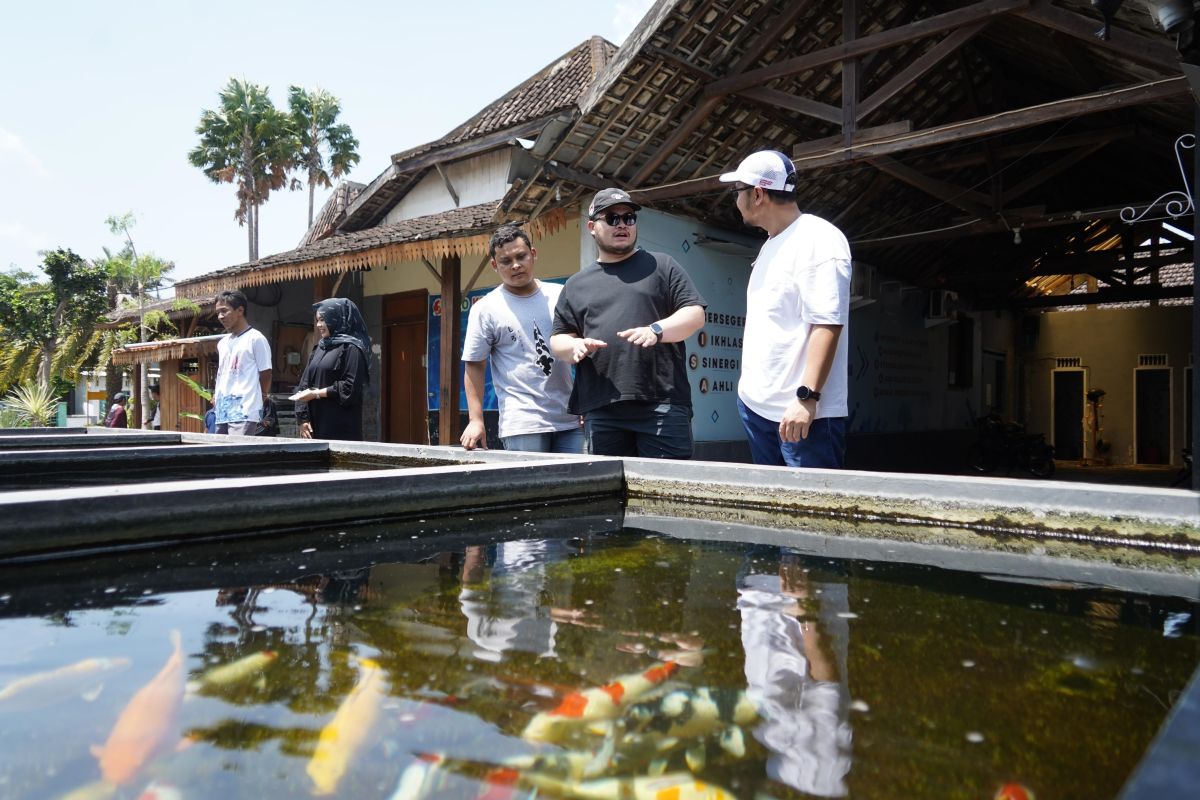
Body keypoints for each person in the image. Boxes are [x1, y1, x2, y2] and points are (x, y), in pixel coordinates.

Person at [550, 188, 706, 458]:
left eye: (629, 217)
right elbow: (558, 338)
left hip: (661, 405)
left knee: (667, 491)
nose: (621, 224)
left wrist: (656, 330)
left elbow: (694, 314)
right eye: (611, 218)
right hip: (602, 408)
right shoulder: (576, 284)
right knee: (610, 492)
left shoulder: (662, 266)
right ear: (592, 227)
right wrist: (574, 346)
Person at [720, 150, 852, 469]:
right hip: (758, 410)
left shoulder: (819, 240)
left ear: (758, 194)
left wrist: (806, 399)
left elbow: (827, 324)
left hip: (803, 416)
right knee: (772, 516)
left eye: (738, 191)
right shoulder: (773, 242)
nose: (735, 199)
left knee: (811, 516)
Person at [460, 224, 580, 453]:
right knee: (531, 488)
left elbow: (580, 350)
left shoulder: (560, 296)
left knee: (582, 487)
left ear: (533, 254)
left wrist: (586, 405)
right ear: (495, 266)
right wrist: (476, 420)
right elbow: (474, 365)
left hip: (571, 420)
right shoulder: (486, 308)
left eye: (521, 256)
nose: (515, 265)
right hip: (522, 423)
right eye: (506, 261)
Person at [291, 297, 370, 440]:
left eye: (323, 320)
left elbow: (350, 389)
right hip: (314, 430)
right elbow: (303, 385)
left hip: (340, 430)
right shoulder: (320, 348)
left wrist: (317, 394)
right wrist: (302, 419)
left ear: (337, 318)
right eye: (318, 320)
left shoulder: (352, 349)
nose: (319, 325)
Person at [213, 289, 273, 436]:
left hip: (244, 410)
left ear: (240, 310)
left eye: (224, 311)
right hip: (222, 410)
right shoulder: (222, 343)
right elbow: (221, 374)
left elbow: (266, 371)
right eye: (218, 312)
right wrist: (216, 395)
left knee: (237, 454)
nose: (220, 316)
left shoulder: (256, 338)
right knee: (220, 454)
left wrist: (263, 395)